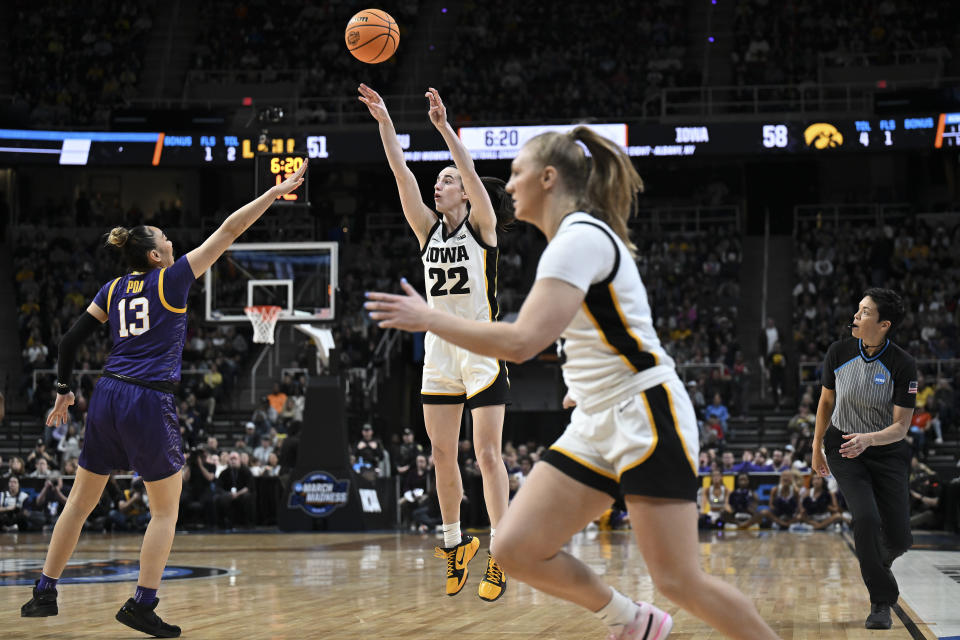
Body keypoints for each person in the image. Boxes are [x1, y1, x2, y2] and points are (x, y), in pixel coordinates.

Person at [366, 127, 777, 639]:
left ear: (549, 178)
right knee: (514, 547)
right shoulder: (562, 243)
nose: (507, 184)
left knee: (677, 579)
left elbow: (521, 343)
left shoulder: (579, 237)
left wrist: (428, 318)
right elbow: (587, 329)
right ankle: (632, 621)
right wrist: (579, 381)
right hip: (595, 417)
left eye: (516, 173)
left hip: (643, 410)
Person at [20, 159, 307, 635]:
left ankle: (44, 593)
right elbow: (228, 229)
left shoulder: (111, 289)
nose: (172, 241)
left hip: (107, 394)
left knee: (78, 504)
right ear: (155, 256)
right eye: (164, 238)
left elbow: (69, 341)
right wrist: (274, 195)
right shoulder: (171, 281)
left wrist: (64, 391)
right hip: (148, 400)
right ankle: (141, 604)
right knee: (165, 510)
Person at [360, 83, 514, 602]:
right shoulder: (427, 232)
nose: (439, 185)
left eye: (448, 181)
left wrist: (445, 128)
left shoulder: (485, 227)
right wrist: (385, 122)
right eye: (440, 179)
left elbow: (469, 173)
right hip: (440, 352)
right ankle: (455, 545)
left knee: (488, 456)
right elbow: (400, 174)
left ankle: (503, 552)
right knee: (441, 455)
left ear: (467, 193)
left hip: (482, 347)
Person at [812, 288, 917, 630]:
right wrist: (816, 447)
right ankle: (881, 602)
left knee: (900, 539)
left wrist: (868, 440)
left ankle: (875, 561)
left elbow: (901, 426)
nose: (856, 316)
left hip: (887, 451)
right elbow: (826, 403)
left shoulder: (903, 364)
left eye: (865, 311)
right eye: (858, 309)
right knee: (867, 519)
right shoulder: (838, 352)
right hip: (843, 446)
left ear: (884, 324)